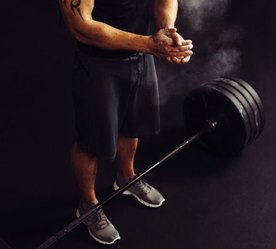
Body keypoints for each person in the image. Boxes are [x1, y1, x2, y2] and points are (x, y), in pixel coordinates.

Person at [59, 0, 193, 245]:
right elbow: (80, 26)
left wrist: (167, 31)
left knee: (134, 125)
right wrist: (149, 44)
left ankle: (126, 178)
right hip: (99, 67)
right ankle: (88, 205)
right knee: (90, 143)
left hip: (141, 58)